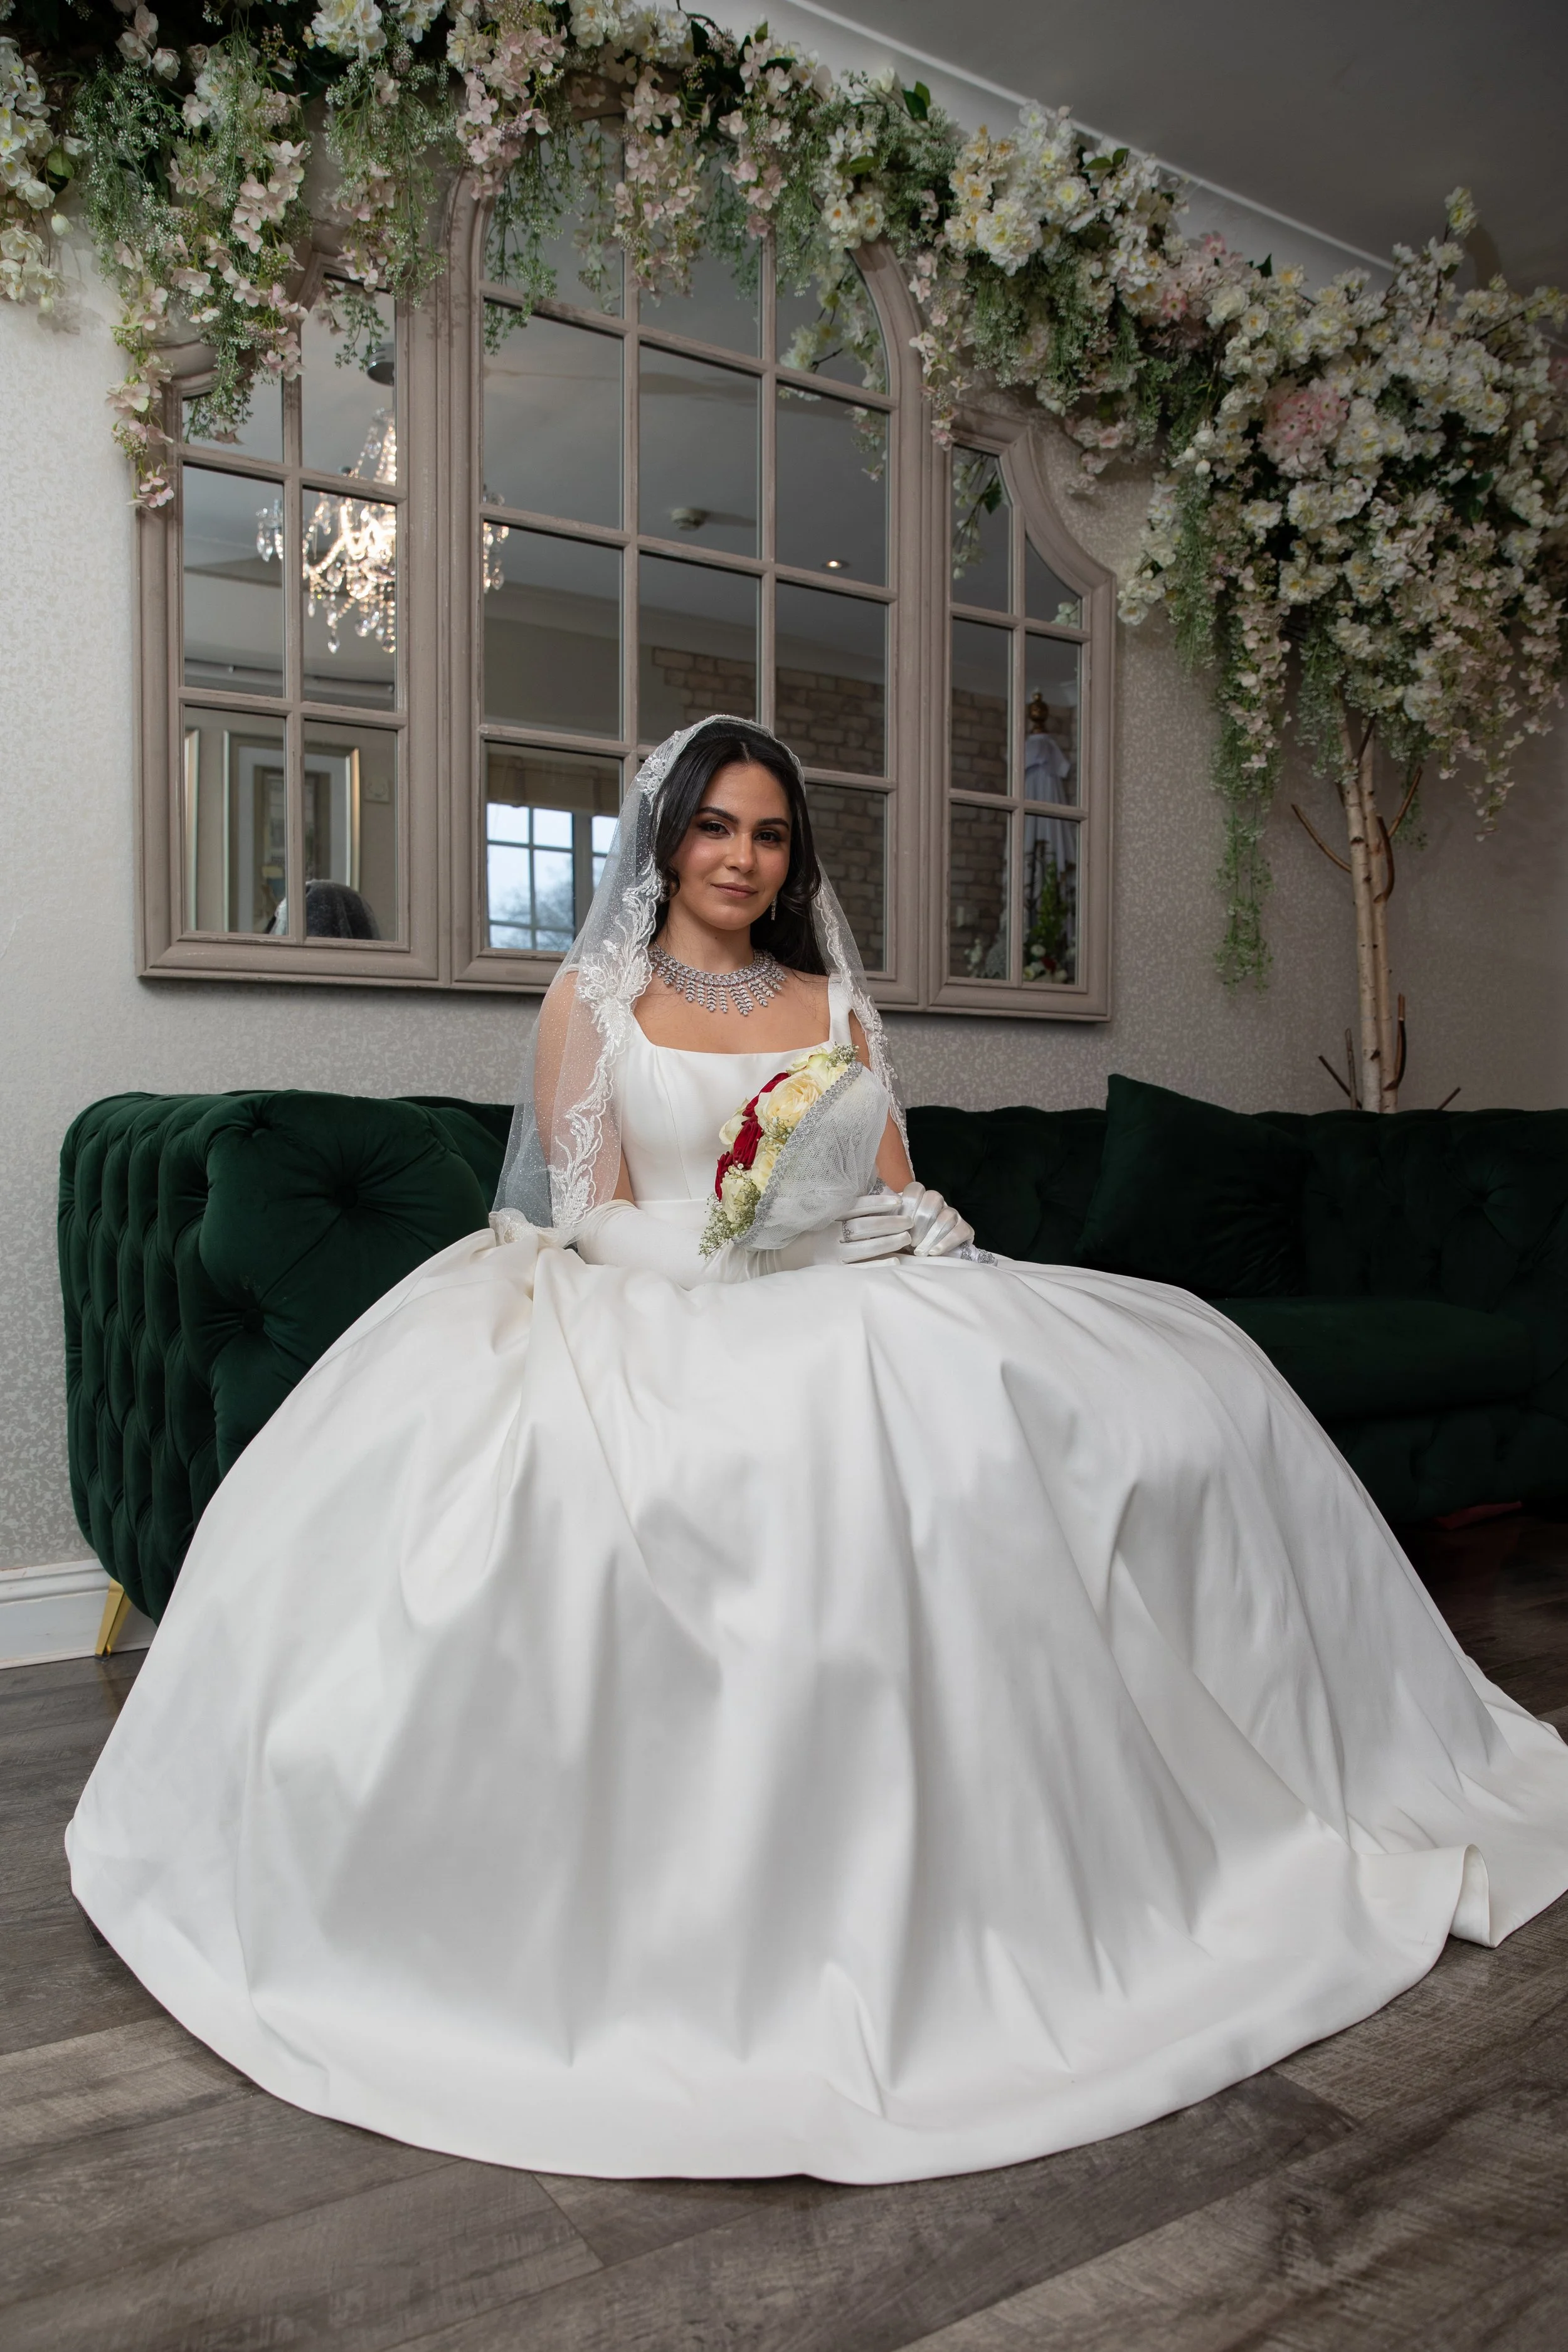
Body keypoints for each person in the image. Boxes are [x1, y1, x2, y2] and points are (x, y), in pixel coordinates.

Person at [68, 714, 1568, 2187]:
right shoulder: (592, 996)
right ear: (666, 839)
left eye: (767, 832)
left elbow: (896, 1175)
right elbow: (581, 1205)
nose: (740, 855)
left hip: (850, 1285)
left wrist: (894, 1231)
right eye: (714, 825)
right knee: (769, 1453)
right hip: (656, 1292)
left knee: (1174, 1385)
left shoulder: (829, 997)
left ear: (793, 858)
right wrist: (723, 1252)